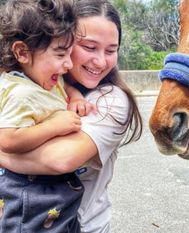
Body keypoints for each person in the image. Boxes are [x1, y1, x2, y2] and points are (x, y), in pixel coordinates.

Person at [0, 0, 143, 232]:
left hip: (82, 224)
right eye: (88, 47)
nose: (100, 61)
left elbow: (60, 159)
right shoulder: (26, 86)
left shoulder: (111, 100)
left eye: (111, 50)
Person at [0, 0, 88, 232]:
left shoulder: (44, 77)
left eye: (69, 54)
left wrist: (77, 97)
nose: (68, 64)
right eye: (60, 54)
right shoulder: (21, 93)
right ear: (22, 52)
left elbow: (64, 87)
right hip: (27, 192)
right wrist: (54, 126)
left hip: (55, 190)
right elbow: (8, 140)